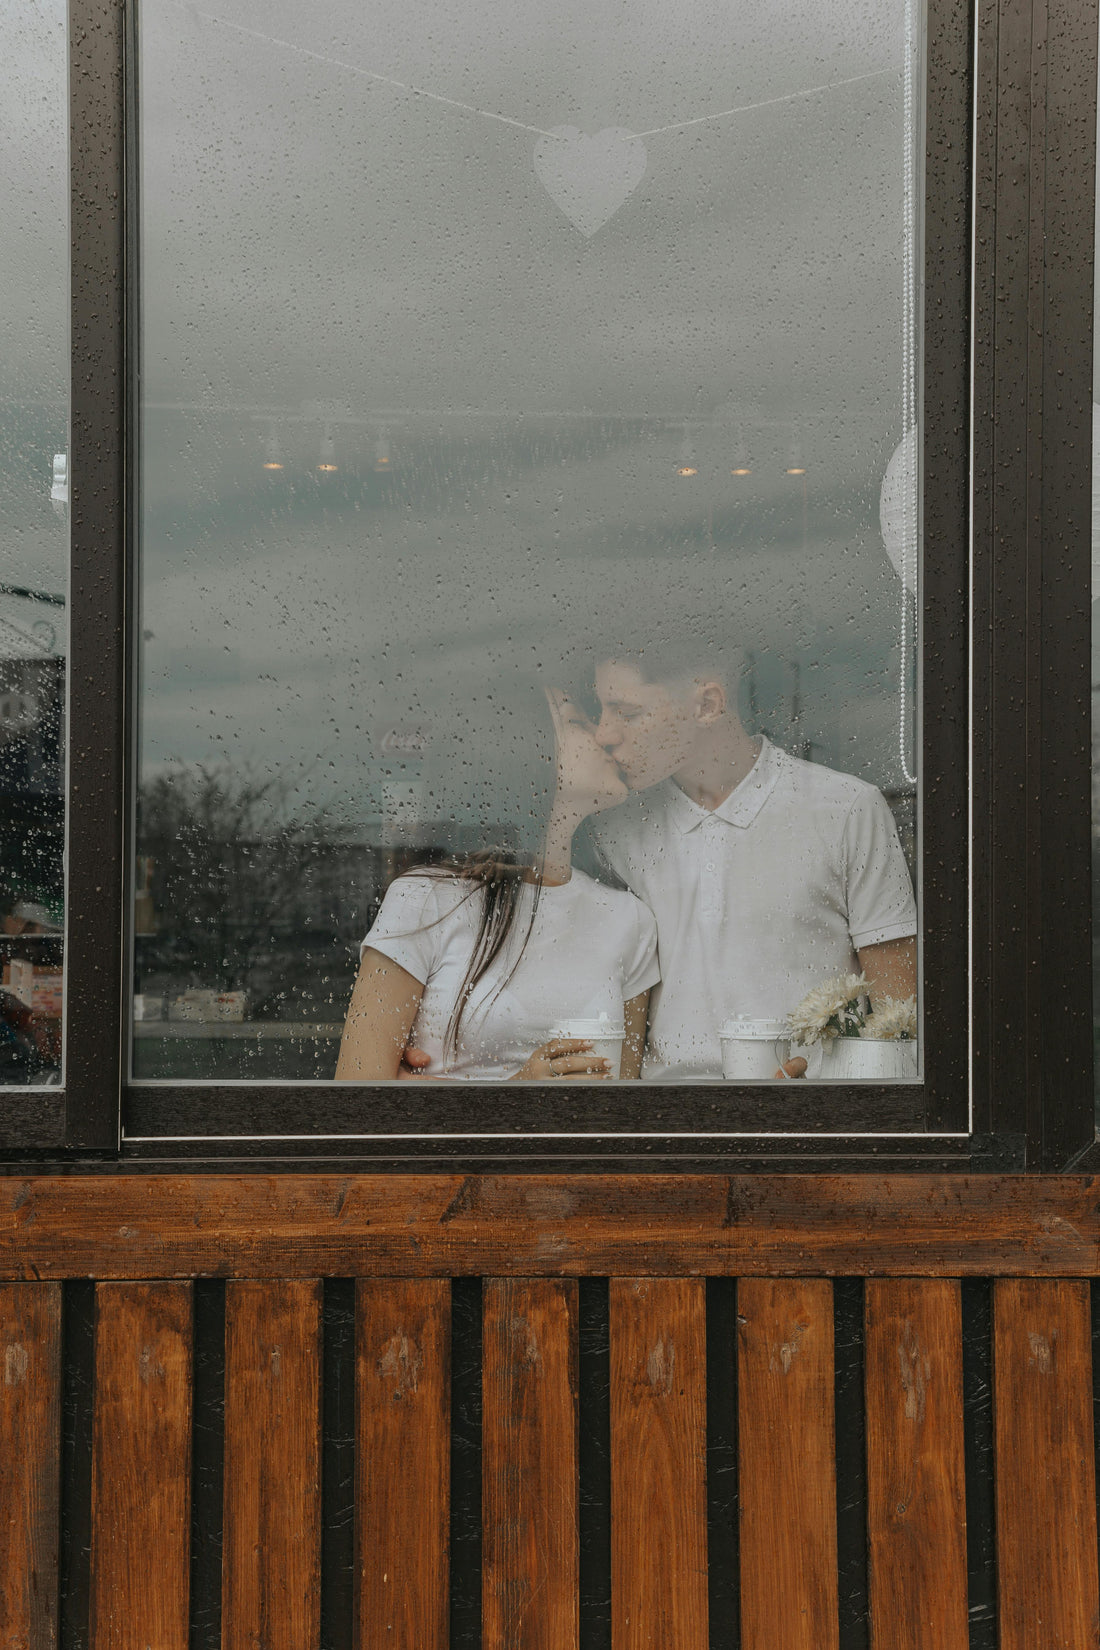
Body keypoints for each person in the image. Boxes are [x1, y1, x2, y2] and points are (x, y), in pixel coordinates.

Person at [584, 641, 917, 1079]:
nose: (603, 734)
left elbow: (899, 1016)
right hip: (663, 1120)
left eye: (625, 713)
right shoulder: (614, 830)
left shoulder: (846, 808)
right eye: (601, 710)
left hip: (812, 1123)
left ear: (707, 705)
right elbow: (611, 1006)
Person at [336, 687, 659, 1081]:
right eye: (578, 722)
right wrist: (517, 1097)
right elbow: (358, 1092)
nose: (604, 734)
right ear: (527, 754)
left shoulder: (629, 918)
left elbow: (628, 1102)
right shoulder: (425, 899)